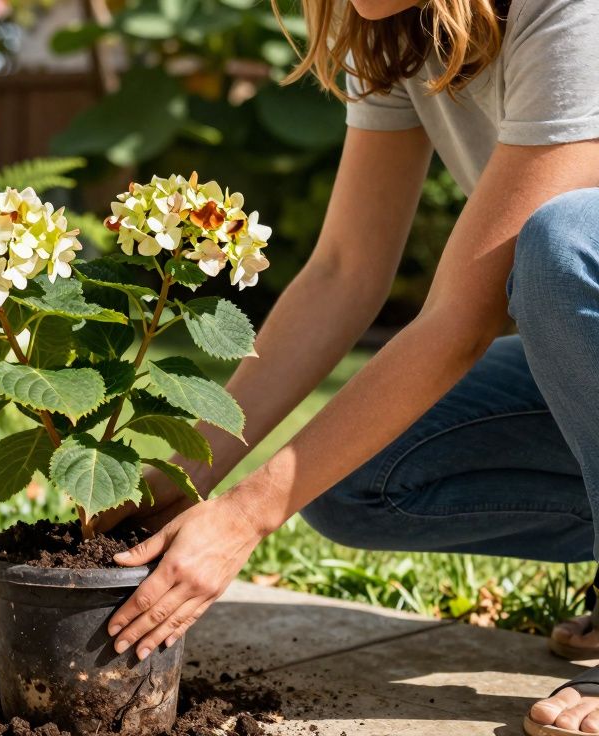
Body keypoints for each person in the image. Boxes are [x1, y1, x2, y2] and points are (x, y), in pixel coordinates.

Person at [95, 0, 599, 732]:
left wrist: (246, 515)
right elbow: (343, 271)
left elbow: (464, 317)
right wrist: (186, 473)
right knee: (359, 478)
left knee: (562, 245)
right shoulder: (397, 23)